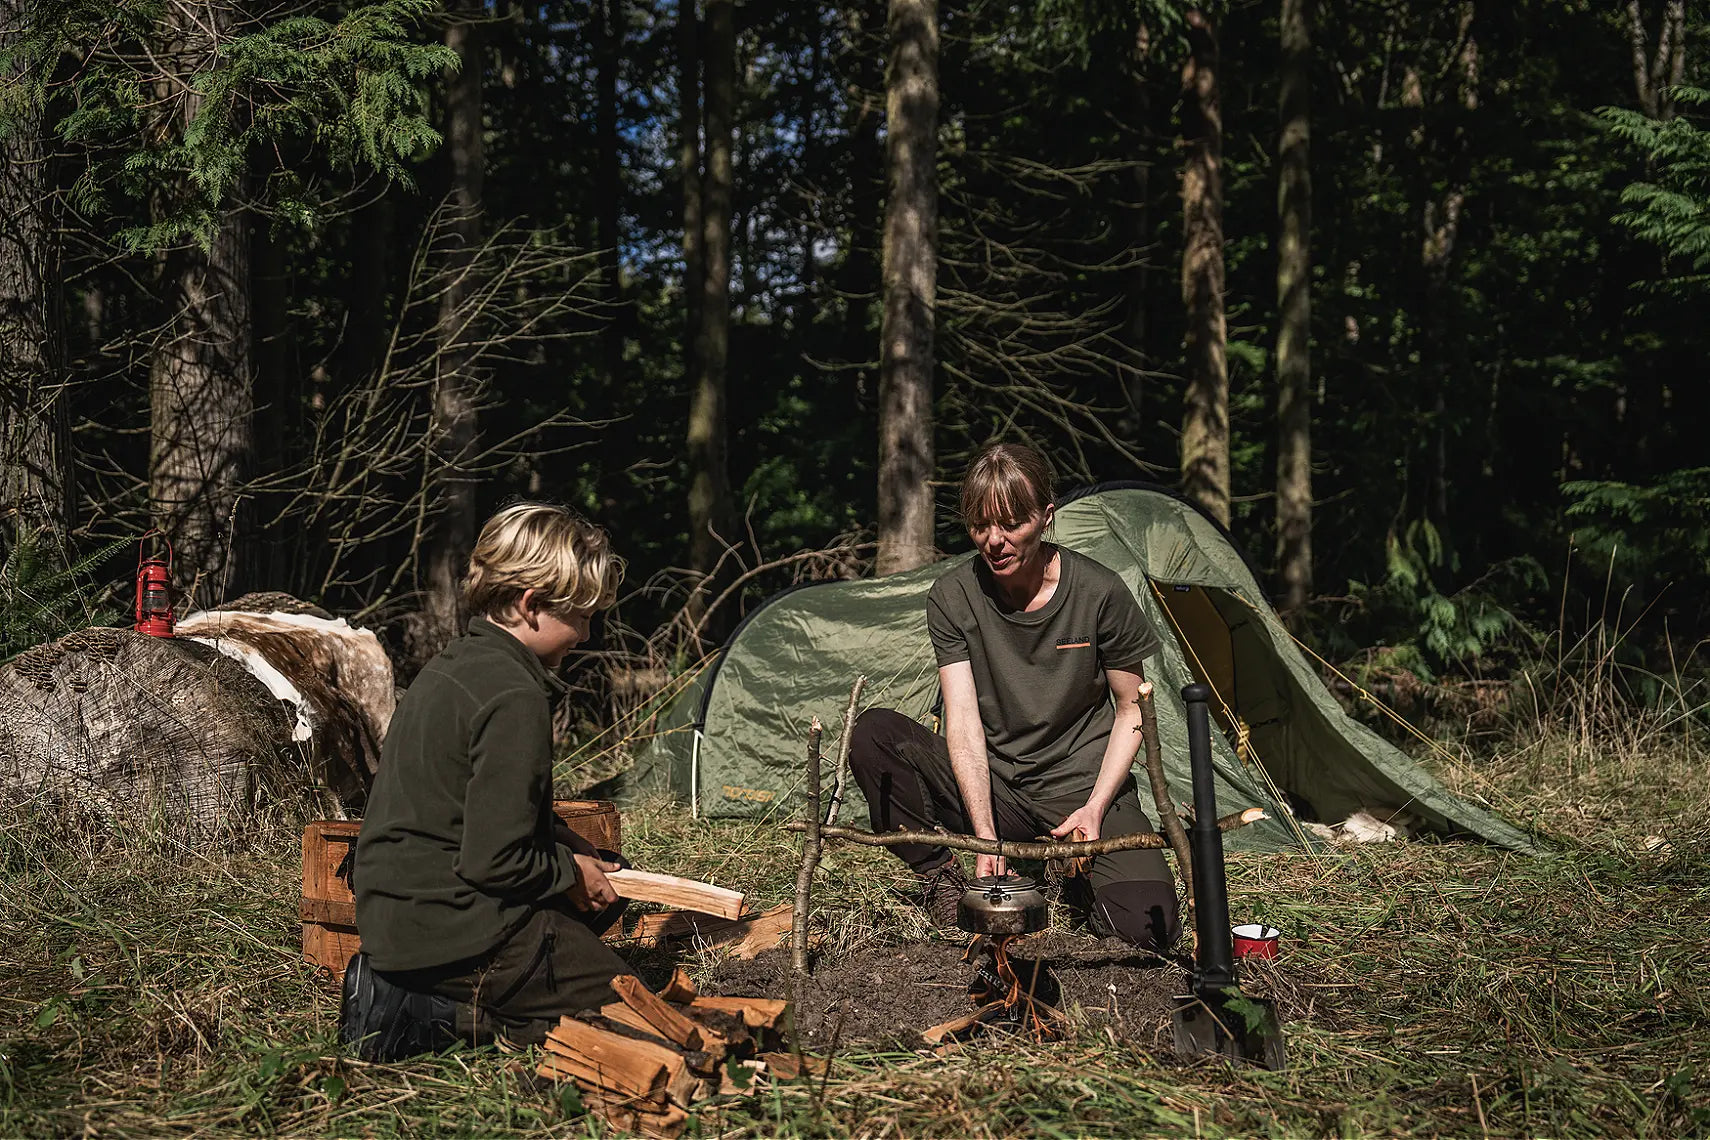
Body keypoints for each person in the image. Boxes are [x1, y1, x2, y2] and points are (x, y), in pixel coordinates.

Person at [849, 443, 1180, 952]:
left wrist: (1094, 808)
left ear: (1046, 518)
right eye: (981, 526)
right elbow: (961, 719)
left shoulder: (1100, 592)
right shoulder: (952, 595)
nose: (995, 541)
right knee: (875, 735)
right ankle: (942, 879)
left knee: (1145, 932)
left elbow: (1132, 708)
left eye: (1012, 524)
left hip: (1086, 793)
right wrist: (986, 836)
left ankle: (1072, 875)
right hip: (998, 791)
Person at [341, 502, 632, 1060]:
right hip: (452, 927)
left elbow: (457, 800)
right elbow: (493, 862)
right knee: (629, 1014)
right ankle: (428, 1011)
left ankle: (436, 1002)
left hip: (394, 918)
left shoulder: (456, 665)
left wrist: (559, 836)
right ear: (531, 605)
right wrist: (572, 873)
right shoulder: (515, 696)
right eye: (584, 615)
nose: (589, 634)